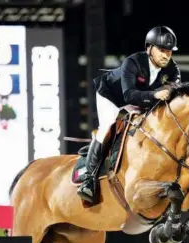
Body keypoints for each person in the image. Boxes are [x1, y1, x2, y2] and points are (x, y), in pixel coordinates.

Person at [77, 26, 182, 203]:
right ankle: (88, 179)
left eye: (169, 52)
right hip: (111, 94)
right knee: (108, 125)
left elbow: (173, 94)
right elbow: (128, 95)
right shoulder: (133, 62)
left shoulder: (173, 70)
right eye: (161, 50)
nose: (166, 55)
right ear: (149, 48)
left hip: (139, 99)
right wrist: (154, 94)